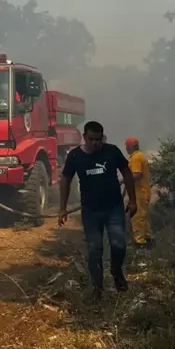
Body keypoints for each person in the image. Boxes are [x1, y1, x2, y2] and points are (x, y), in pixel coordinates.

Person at [58, 120, 137, 298]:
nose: (96, 143)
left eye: (99, 139)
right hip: (91, 212)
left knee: (118, 245)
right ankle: (97, 288)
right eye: (92, 139)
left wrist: (132, 201)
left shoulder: (112, 151)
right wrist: (62, 208)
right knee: (95, 249)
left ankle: (117, 273)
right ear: (84, 137)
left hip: (114, 208)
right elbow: (65, 180)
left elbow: (127, 173)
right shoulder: (75, 156)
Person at [125, 137, 152, 247]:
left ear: (131, 146)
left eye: (127, 146)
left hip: (140, 192)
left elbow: (136, 174)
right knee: (142, 216)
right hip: (141, 191)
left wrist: (123, 179)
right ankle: (148, 239)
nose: (126, 149)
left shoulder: (136, 158)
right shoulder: (138, 156)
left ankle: (140, 242)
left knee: (137, 217)